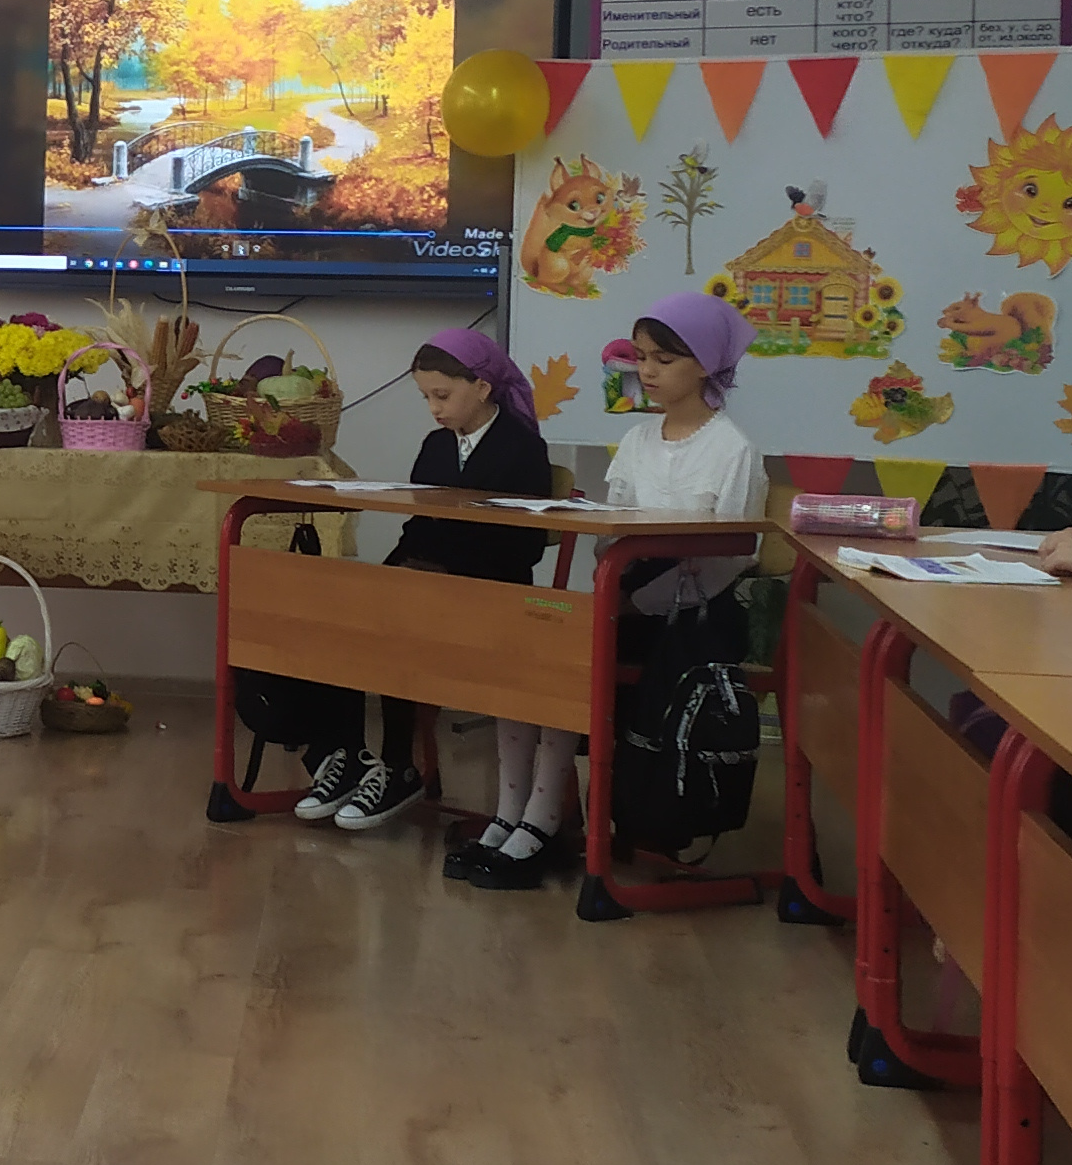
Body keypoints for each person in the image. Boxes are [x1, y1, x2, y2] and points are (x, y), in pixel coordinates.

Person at [468, 285, 766, 894]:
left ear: (705, 364)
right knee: (525, 656)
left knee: (569, 665)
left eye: (664, 359)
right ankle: (511, 813)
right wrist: (620, 589)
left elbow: (731, 557)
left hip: (692, 621)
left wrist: (637, 601)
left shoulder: (733, 450)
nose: (647, 371)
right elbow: (611, 534)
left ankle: (543, 824)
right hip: (625, 601)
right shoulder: (636, 441)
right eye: (641, 357)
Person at [294, 326, 553, 839]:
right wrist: (394, 571)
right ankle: (348, 754)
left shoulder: (522, 449)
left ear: (482, 387)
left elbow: (521, 547)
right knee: (340, 608)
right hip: (428, 582)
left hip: (489, 589)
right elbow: (419, 526)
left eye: (443, 395)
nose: (434, 409)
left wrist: (437, 571)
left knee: (397, 621)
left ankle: (400, 767)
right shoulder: (436, 445)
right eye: (426, 398)